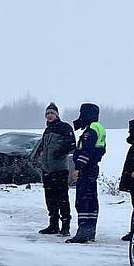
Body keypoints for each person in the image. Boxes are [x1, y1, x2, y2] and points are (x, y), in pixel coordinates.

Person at [32, 102, 76, 235]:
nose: (49, 116)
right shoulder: (47, 130)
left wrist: (60, 153)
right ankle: (53, 224)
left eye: (51, 113)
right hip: (47, 169)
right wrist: (38, 154)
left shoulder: (64, 128)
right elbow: (43, 146)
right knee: (50, 198)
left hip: (59, 169)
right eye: (47, 114)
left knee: (62, 197)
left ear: (57, 115)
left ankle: (66, 225)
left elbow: (72, 144)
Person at [66, 102, 106, 243]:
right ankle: (90, 231)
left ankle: (83, 232)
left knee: (83, 200)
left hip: (87, 169)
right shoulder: (99, 127)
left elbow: (87, 151)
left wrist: (78, 167)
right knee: (91, 200)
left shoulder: (91, 130)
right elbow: (100, 150)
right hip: (92, 168)